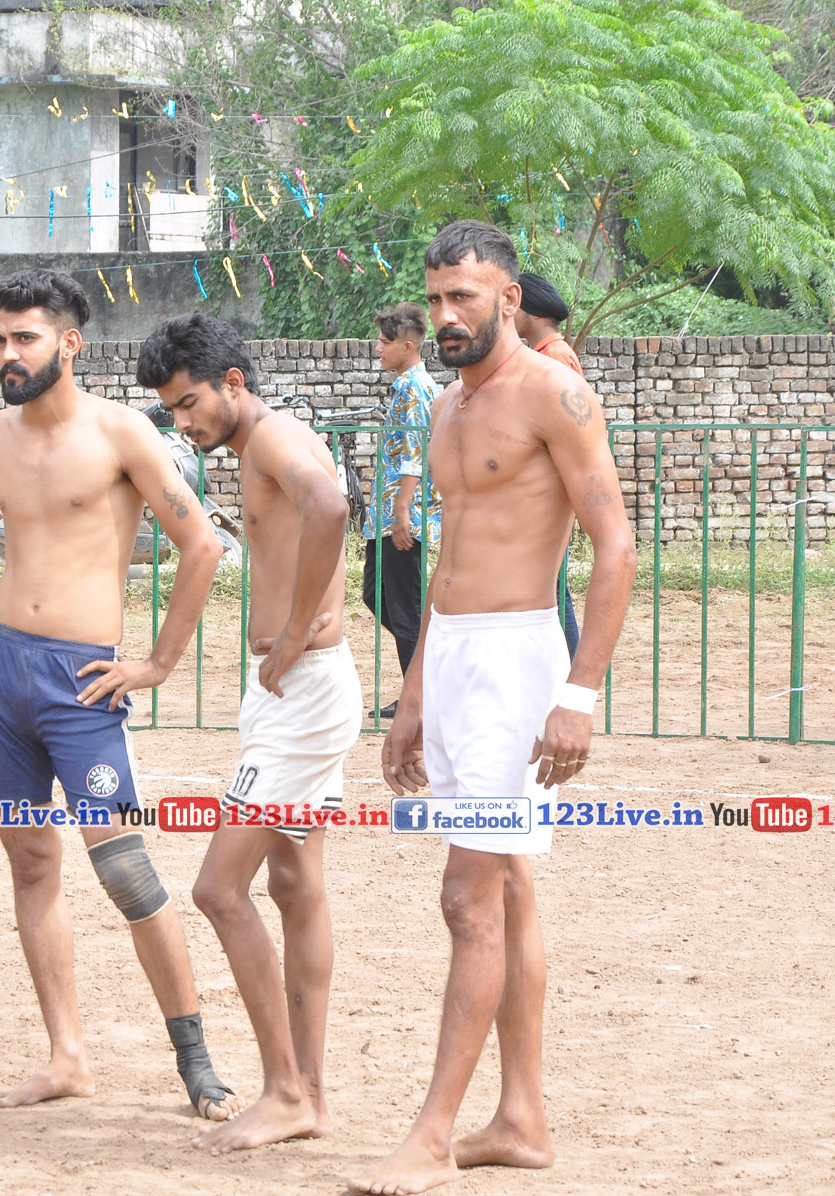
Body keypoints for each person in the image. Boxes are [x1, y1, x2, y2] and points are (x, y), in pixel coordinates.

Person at [354, 221, 636, 1196]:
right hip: (453, 657)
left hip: (520, 659)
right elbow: (448, 560)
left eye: (463, 297)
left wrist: (577, 693)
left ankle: (432, 1135)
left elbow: (615, 546)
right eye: (436, 297)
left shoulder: (556, 394)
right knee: (506, 886)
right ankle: (521, 1120)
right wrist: (413, 692)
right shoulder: (444, 407)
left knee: (466, 896)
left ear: (508, 299)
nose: (445, 314)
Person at [0, 268, 238, 1121]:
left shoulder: (121, 433)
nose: (7, 353)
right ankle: (66, 1056)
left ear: (69, 343)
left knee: (126, 869)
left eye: (24, 338)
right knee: (32, 864)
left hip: (82, 680)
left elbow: (203, 546)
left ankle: (196, 1063)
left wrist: (159, 664)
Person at [138, 313, 358, 1153]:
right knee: (295, 886)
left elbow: (332, 506)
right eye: (171, 409)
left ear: (233, 381)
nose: (183, 421)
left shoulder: (271, 437)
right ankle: (311, 1095)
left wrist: (297, 629)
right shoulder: (263, 442)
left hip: (304, 693)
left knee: (218, 889)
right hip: (295, 690)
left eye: (189, 402)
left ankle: (286, 1091)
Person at [360, 301, 440, 719]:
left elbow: (415, 452)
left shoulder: (414, 388)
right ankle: (428, 676)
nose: (379, 348)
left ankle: (420, 700)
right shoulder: (407, 385)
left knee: (405, 609)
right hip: (391, 514)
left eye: (385, 342)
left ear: (408, 346)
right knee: (376, 595)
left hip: (405, 515)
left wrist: (403, 511)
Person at [514, 272, 584, 657]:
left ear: (532, 313)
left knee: (554, 592)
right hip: (545, 494)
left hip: (550, 496)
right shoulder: (546, 353)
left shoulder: (554, 357)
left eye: (515, 307)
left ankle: (572, 673)